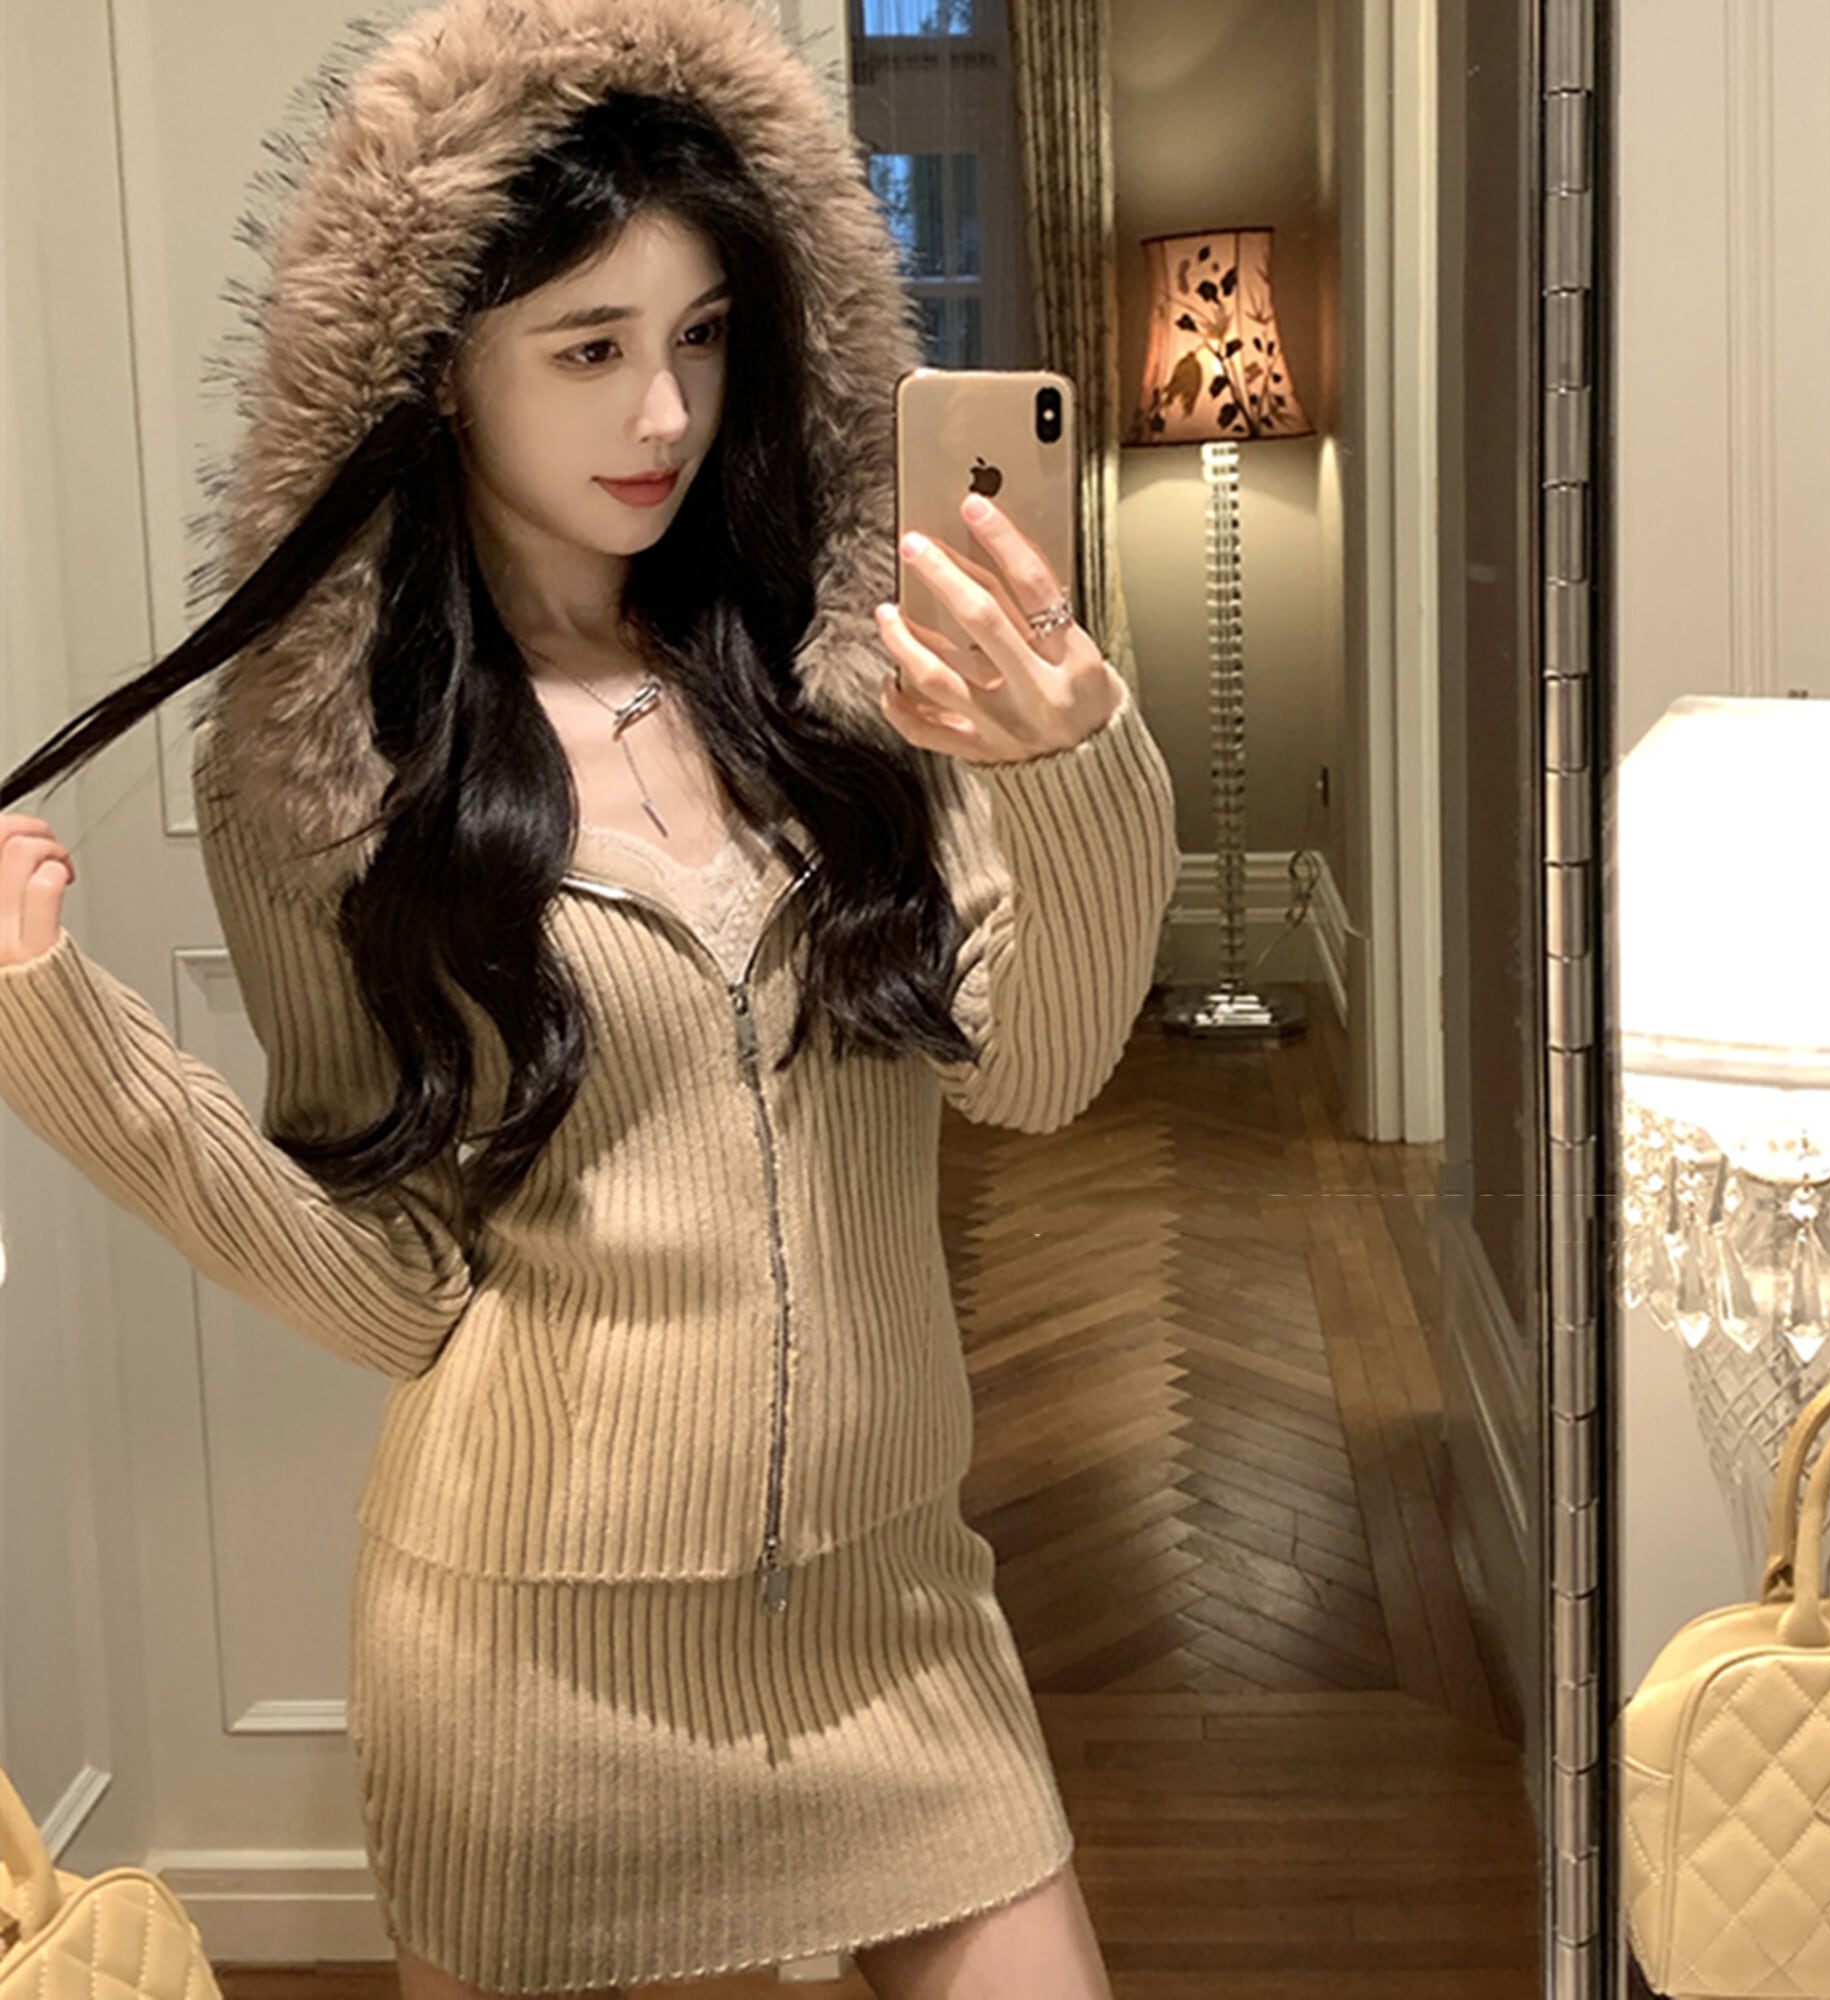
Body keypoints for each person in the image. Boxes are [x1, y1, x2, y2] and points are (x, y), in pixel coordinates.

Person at [0, 1, 1178, 1995]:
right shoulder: (336, 777)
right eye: (588, 347)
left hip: (897, 1611)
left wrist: (1076, 766)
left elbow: (1038, 1075)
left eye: (703, 335)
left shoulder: (852, 689)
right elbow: (394, 1280)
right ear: (437, 371)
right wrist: (55, 1028)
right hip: (532, 1669)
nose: (665, 412)